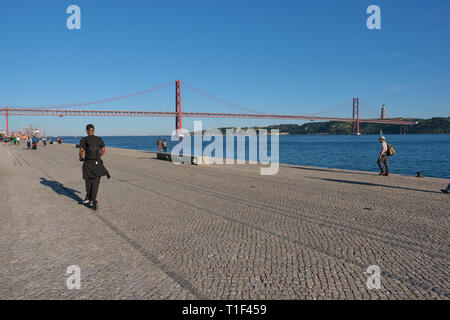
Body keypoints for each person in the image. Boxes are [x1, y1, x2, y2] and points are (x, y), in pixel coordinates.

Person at [78, 124, 110, 210]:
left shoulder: (83, 140)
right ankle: (92, 200)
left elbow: (81, 151)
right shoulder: (99, 139)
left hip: (87, 163)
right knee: (96, 182)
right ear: (94, 130)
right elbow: (103, 150)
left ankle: (88, 198)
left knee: (88, 181)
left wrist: (81, 158)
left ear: (86, 130)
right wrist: (99, 156)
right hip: (97, 163)